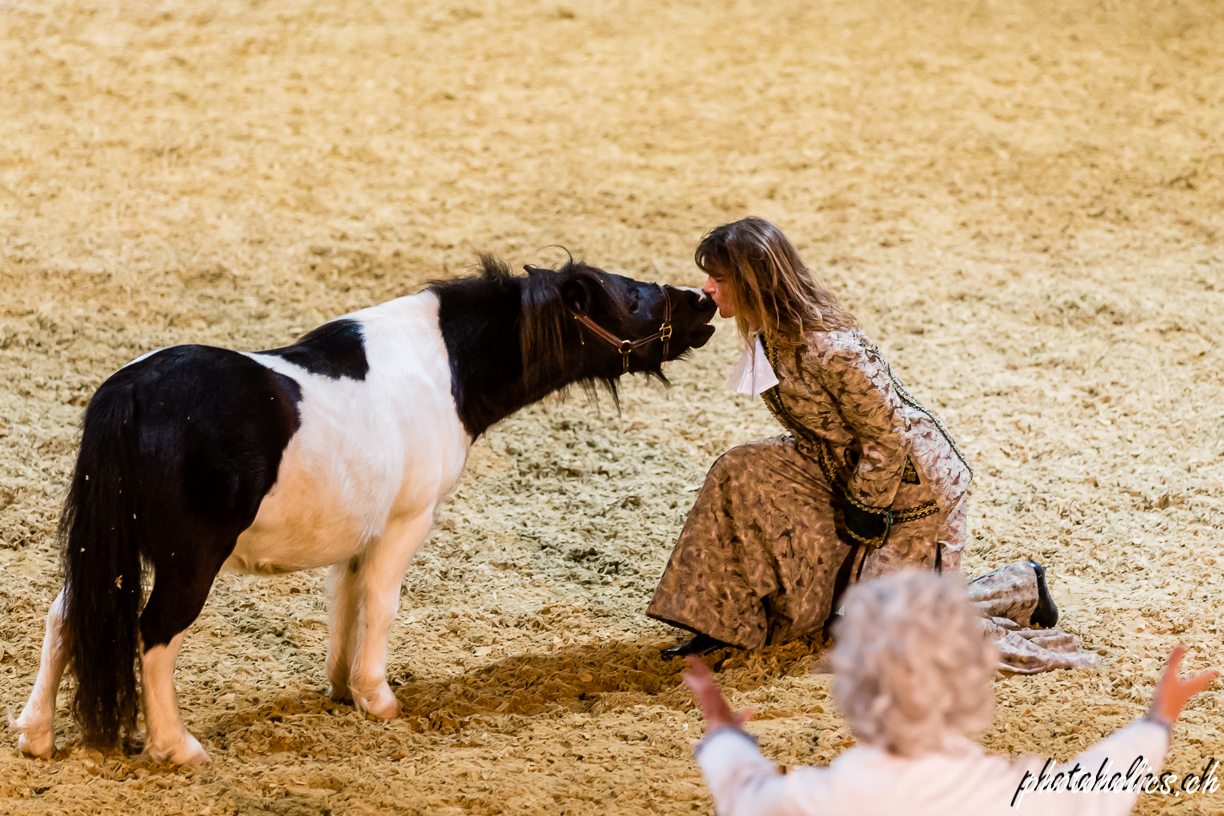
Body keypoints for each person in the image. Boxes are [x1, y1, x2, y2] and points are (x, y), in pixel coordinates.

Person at [647, 216, 1093, 672]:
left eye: (719, 279)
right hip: (844, 466)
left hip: (912, 490)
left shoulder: (830, 347)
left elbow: (890, 433)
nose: (708, 288)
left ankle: (1019, 587)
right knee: (739, 470)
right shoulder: (771, 333)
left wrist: (866, 504)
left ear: (753, 282)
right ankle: (722, 621)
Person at [683, 569, 1218, 816]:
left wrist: (725, 736)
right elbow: (1097, 791)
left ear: (850, 689)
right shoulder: (1017, 791)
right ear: (971, 685)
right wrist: (1155, 723)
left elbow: (744, 796)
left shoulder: (816, 797)